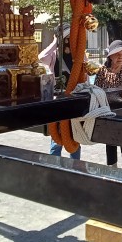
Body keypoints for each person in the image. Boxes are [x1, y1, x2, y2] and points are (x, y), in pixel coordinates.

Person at [94, 40, 122, 169]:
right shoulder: (102, 71)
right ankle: (112, 168)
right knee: (110, 141)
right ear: (110, 56)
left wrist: (121, 94)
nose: (121, 57)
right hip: (107, 111)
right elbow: (97, 90)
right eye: (117, 54)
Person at [39, 25, 81, 160]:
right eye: (66, 38)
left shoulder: (76, 55)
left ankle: (76, 165)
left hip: (73, 98)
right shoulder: (54, 55)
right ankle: (55, 165)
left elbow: (84, 66)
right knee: (56, 137)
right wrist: (56, 42)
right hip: (58, 99)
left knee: (74, 134)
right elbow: (42, 57)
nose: (68, 41)